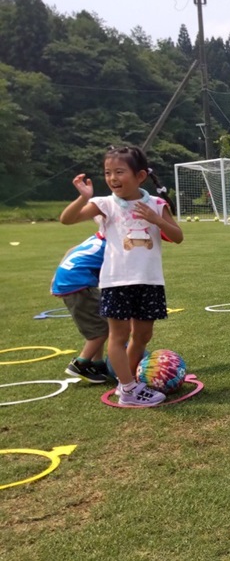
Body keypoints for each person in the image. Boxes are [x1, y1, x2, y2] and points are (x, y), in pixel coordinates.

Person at [59, 146, 184, 407]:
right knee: (118, 335)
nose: (112, 178)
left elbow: (178, 237)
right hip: (117, 281)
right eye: (107, 172)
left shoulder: (156, 204)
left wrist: (157, 219)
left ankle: (126, 384)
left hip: (149, 281)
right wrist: (83, 197)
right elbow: (66, 220)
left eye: (119, 172)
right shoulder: (104, 204)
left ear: (139, 176)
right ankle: (128, 389)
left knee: (143, 335)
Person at [50, 219, 112, 384]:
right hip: (78, 284)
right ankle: (80, 363)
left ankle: (97, 364)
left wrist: (56, 277)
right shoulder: (113, 244)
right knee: (102, 328)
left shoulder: (98, 238)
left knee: (100, 322)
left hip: (71, 281)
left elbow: (71, 250)